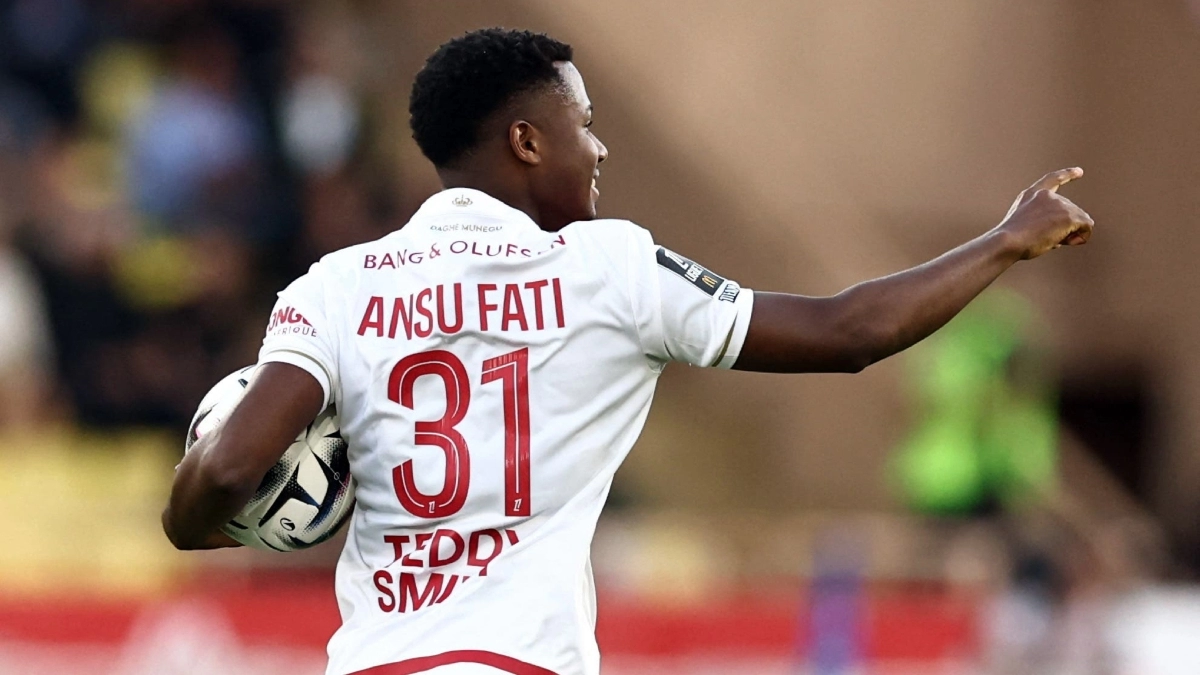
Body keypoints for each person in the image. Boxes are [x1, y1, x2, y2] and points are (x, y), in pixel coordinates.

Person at [162, 28, 1095, 675]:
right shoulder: (607, 268)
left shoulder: (336, 284)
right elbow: (850, 332)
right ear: (526, 140)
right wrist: (1005, 240)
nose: (600, 145)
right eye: (583, 120)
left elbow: (232, 466)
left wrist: (207, 521)